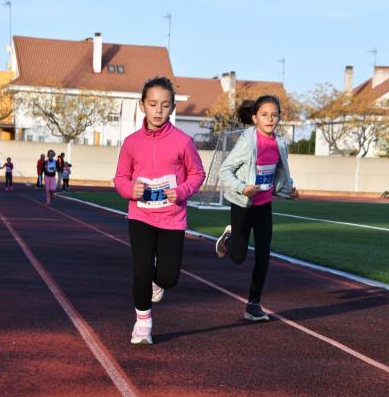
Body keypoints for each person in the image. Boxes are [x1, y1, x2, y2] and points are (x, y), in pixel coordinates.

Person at [114, 76, 205, 345]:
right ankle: (143, 324)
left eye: (165, 105)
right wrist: (131, 190)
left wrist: (181, 191)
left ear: (173, 108)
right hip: (140, 216)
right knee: (141, 270)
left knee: (168, 277)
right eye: (153, 104)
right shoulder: (131, 143)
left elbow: (197, 173)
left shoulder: (183, 142)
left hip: (172, 219)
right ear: (142, 105)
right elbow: (120, 178)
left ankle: (157, 284)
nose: (158, 110)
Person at [215, 96, 299, 322]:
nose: (270, 119)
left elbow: (277, 176)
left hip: (263, 206)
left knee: (264, 254)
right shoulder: (247, 142)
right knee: (238, 257)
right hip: (243, 204)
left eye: (274, 114)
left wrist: (288, 191)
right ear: (255, 118)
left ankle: (253, 304)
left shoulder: (280, 143)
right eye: (264, 114)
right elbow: (224, 171)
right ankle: (229, 237)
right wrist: (243, 189)